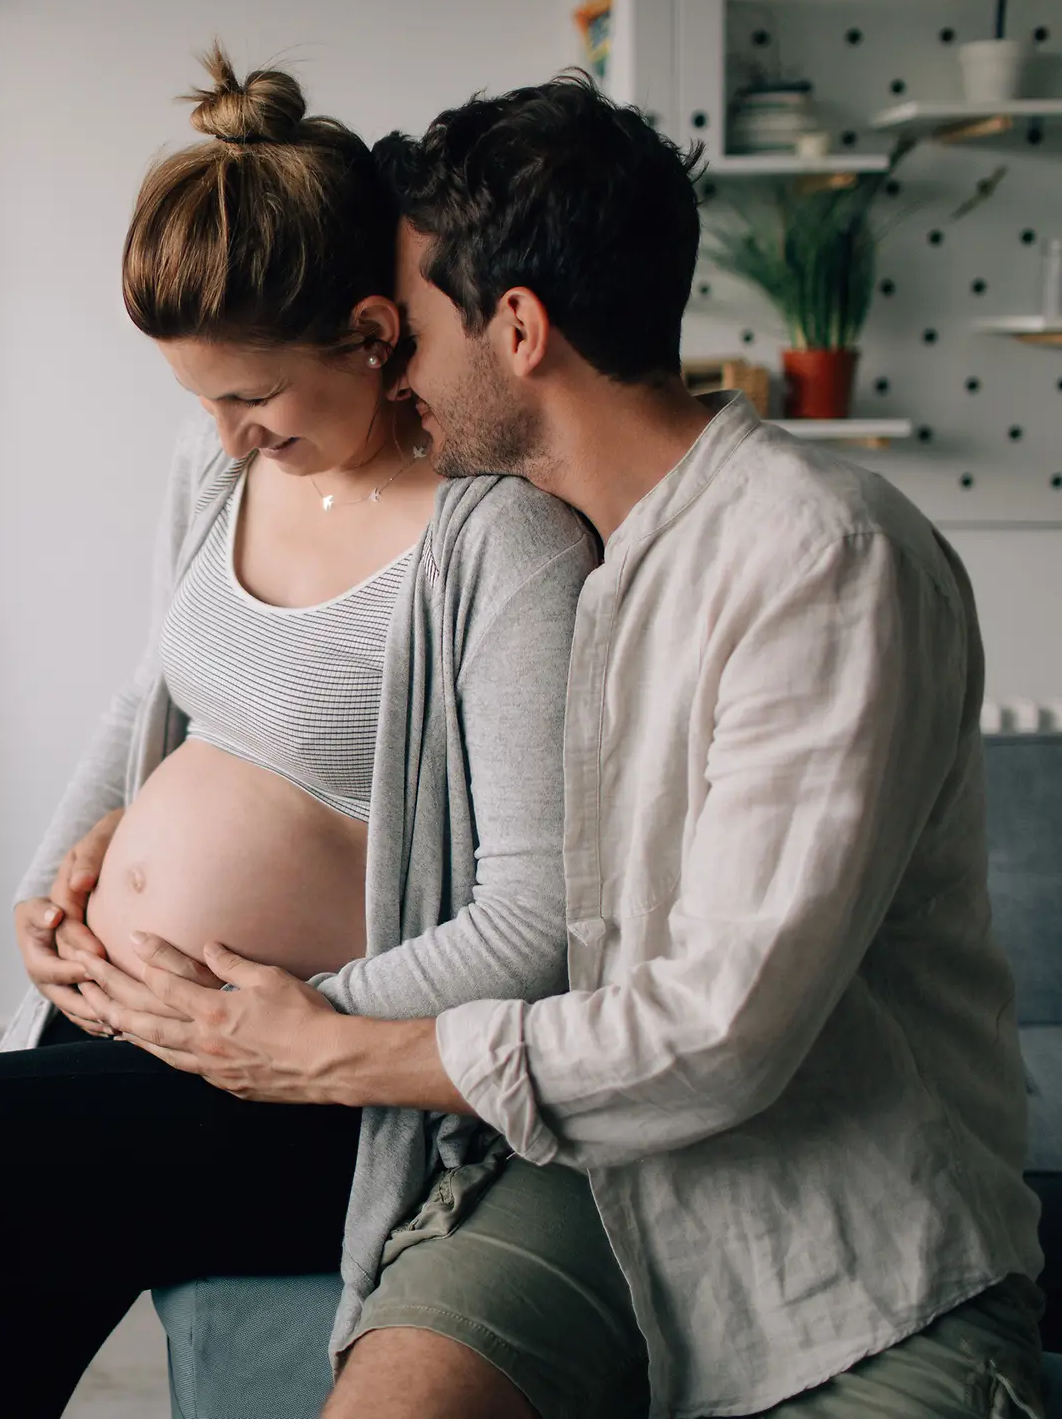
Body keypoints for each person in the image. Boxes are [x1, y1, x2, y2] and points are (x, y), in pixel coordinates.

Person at [78, 73, 1046, 1419]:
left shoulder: (817, 556)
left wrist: (320, 1049)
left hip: (839, 1240)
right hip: (576, 1181)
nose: (390, 366)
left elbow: (721, 1037)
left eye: (411, 327)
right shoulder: (558, 544)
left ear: (519, 329)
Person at [0, 48, 594, 1419]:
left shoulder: (499, 542)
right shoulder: (220, 469)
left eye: (254, 398)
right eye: (203, 401)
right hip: (134, 1029)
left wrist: (283, 1023)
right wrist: (47, 892)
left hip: (298, 1096)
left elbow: (533, 920)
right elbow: (153, 694)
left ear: (374, 332)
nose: (228, 435)